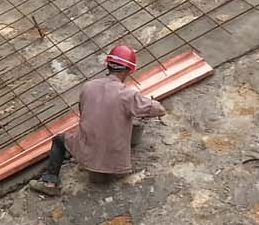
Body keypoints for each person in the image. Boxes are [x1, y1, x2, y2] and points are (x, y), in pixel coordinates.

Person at [33, 45, 165, 195]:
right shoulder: (128, 95)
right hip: (116, 162)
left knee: (59, 140)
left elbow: (84, 113)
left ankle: (50, 183)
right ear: (130, 70)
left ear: (107, 64)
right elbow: (160, 110)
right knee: (130, 126)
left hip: (86, 154)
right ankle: (106, 166)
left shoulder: (88, 87)